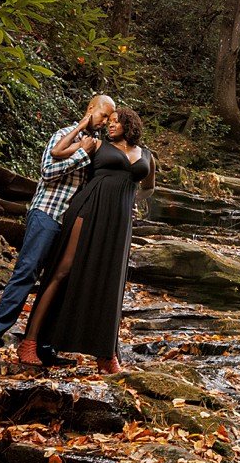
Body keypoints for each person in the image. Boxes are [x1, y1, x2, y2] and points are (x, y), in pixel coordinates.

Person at [0, 94, 115, 362]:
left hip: (72, 224)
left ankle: (44, 346)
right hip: (47, 214)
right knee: (26, 273)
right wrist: (81, 154)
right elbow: (48, 171)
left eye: (110, 118)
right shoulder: (64, 135)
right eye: (104, 115)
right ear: (90, 110)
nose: (106, 121)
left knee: (59, 282)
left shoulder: (98, 146)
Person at [16, 105, 155, 375]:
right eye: (109, 121)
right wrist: (80, 128)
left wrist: (133, 202)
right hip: (89, 208)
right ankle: (30, 342)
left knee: (111, 279)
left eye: (116, 121)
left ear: (130, 125)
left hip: (119, 221)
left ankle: (106, 355)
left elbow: (148, 188)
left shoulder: (147, 155)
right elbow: (57, 152)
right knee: (64, 270)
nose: (110, 125)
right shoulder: (96, 144)